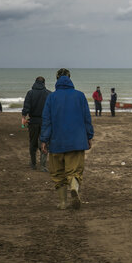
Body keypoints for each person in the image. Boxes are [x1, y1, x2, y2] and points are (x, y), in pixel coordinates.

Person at [40, 68, 94, 210]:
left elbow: (46, 120)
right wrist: (89, 136)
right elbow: (86, 118)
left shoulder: (51, 97)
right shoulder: (80, 96)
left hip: (57, 142)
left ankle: (63, 203)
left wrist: (44, 140)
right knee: (74, 170)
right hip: (76, 141)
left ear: (57, 79)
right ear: (70, 78)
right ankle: (74, 187)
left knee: (58, 173)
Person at [22, 76, 51, 171]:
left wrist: (23, 117)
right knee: (44, 142)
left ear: (35, 82)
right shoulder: (48, 93)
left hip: (33, 121)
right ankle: (43, 165)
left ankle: (33, 163)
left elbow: (26, 106)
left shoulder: (30, 93)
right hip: (45, 122)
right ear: (44, 83)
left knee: (32, 143)